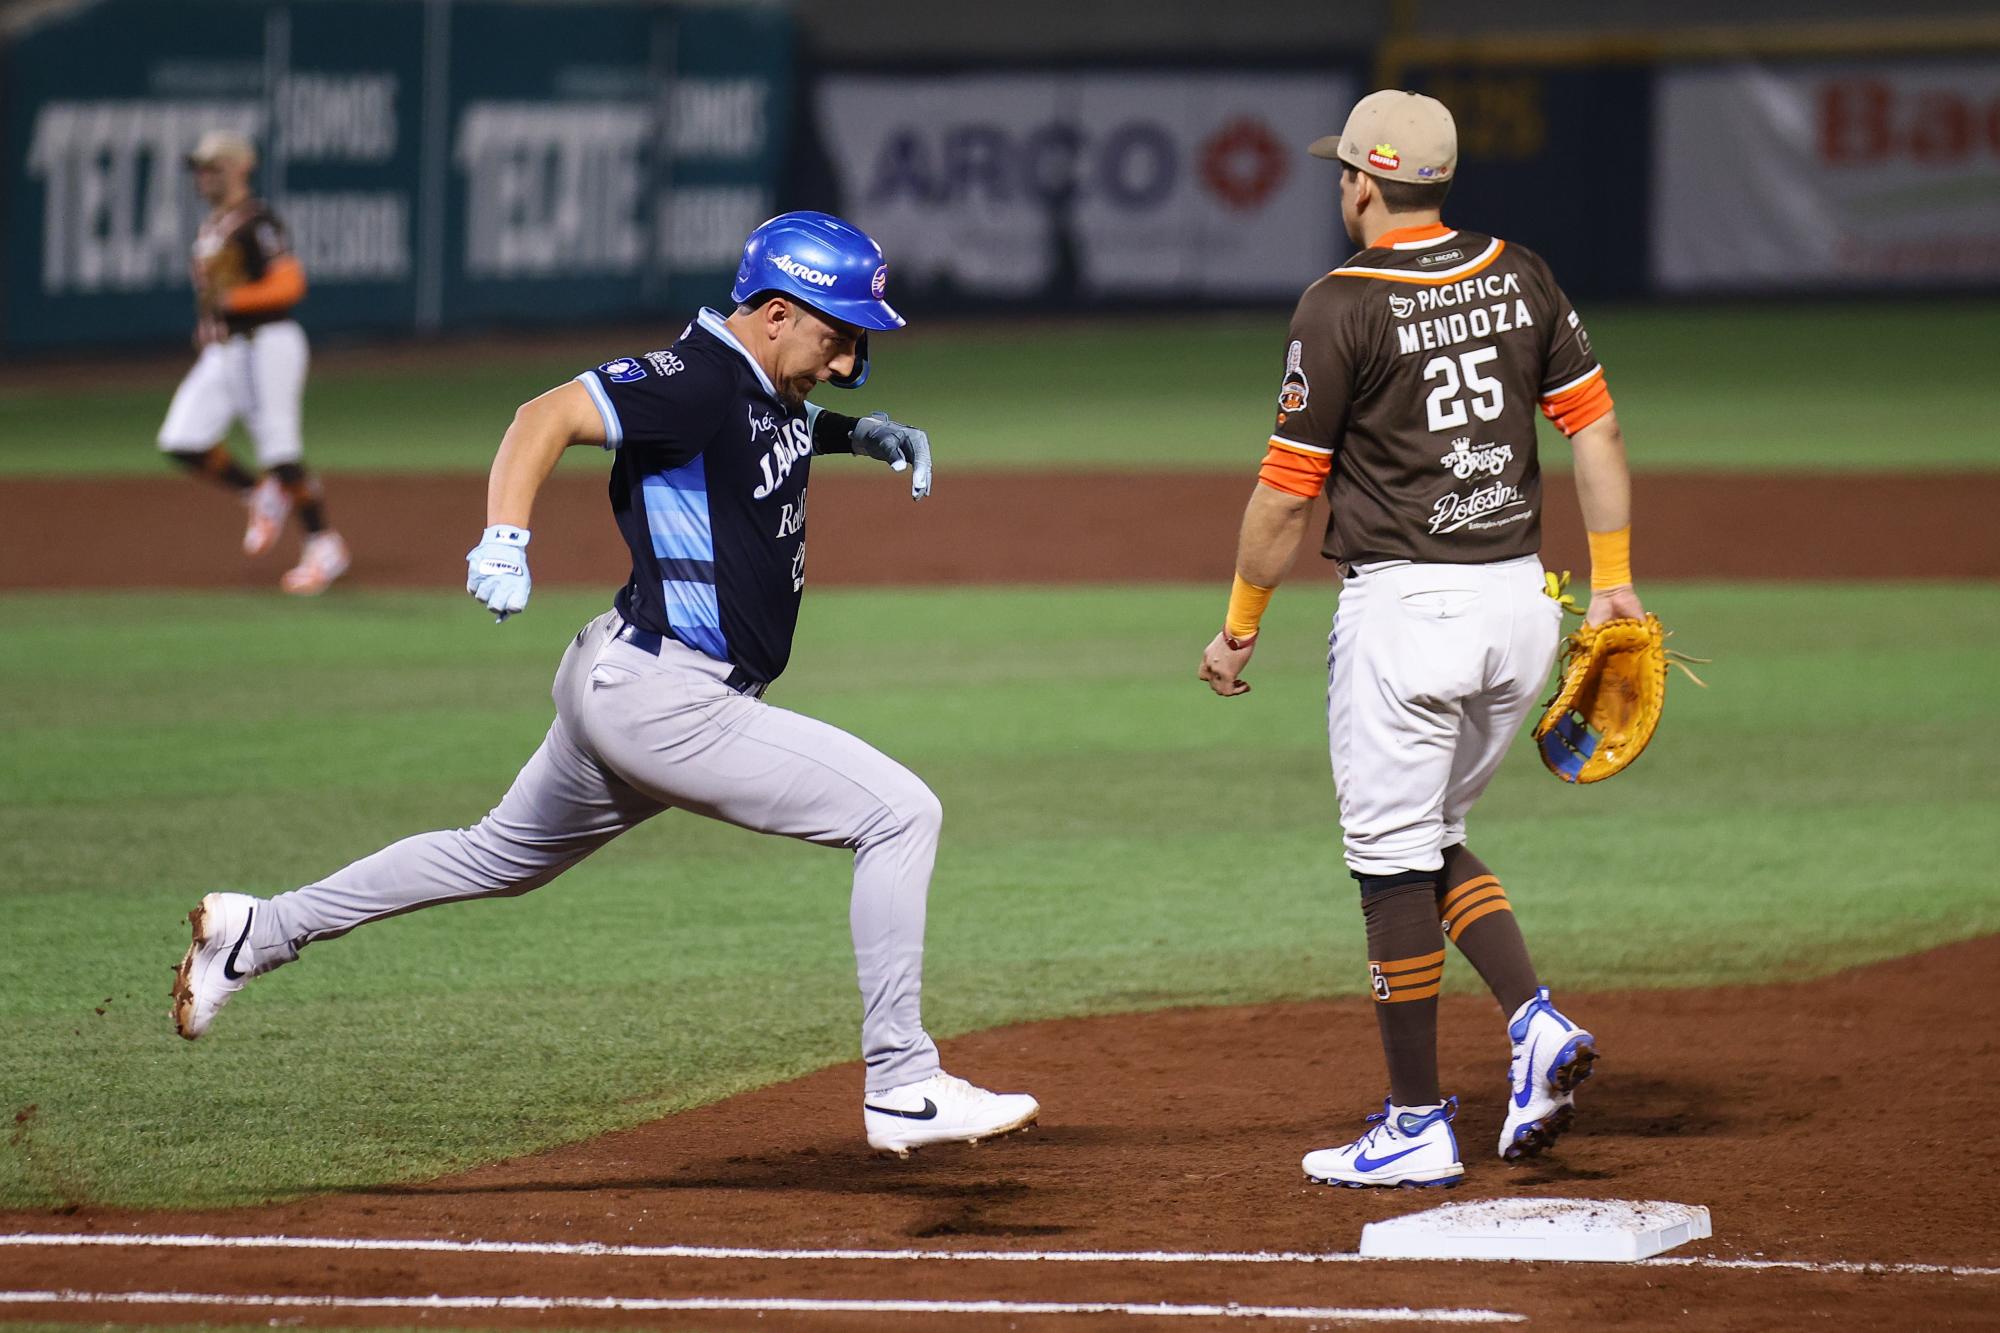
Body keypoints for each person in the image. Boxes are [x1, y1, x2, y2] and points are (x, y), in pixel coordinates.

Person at [172, 211, 1039, 1158]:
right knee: (899, 814)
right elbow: (541, 417)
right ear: (779, 312)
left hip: (621, 678)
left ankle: (260, 929)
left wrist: (852, 434)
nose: (845, 363)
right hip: (668, 700)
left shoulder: (751, 379)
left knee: (493, 856)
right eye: (838, 336)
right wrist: (506, 535)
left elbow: (759, 436)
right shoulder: (700, 377)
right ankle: (903, 1082)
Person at [1198, 91, 1637, 1187]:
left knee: (1387, 864)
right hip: (1521, 610)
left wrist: (1239, 625)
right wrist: (1615, 584)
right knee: (1430, 833)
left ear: (1360, 180)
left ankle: (1412, 1120)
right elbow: (1595, 428)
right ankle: (1530, 1021)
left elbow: (1283, 496)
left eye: (1339, 173)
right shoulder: (1520, 270)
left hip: (1406, 616)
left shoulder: (1337, 303)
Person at [156, 130, 349, 596]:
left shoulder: (257, 222)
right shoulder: (213, 226)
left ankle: (324, 545)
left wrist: (232, 299)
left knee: (280, 450)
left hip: (267, 344)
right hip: (227, 352)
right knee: (182, 439)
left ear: (241, 167)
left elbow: (289, 285)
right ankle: (259, 492)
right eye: (199, 169)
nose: (203, 177)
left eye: (213, 167)